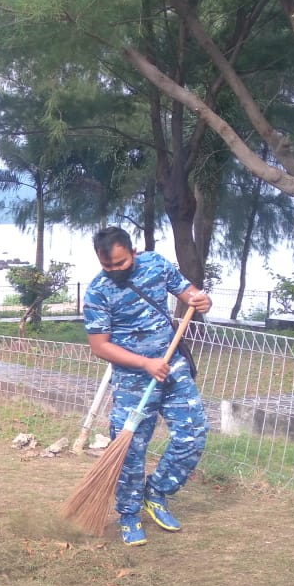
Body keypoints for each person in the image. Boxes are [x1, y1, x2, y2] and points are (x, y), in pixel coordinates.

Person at [81, 226, 212, 546]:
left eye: (120, 263)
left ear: (133, 252)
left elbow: (188, 292)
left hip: (173, 367)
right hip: (132, 379)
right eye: (107, 265)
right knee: (130, 451)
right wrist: (144, 364)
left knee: (193, 434)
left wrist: (200, 299)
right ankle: (128, 514)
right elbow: (100, 346)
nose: (113, 271)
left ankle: (157, 492)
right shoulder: (98, 292)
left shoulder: (155, 264)